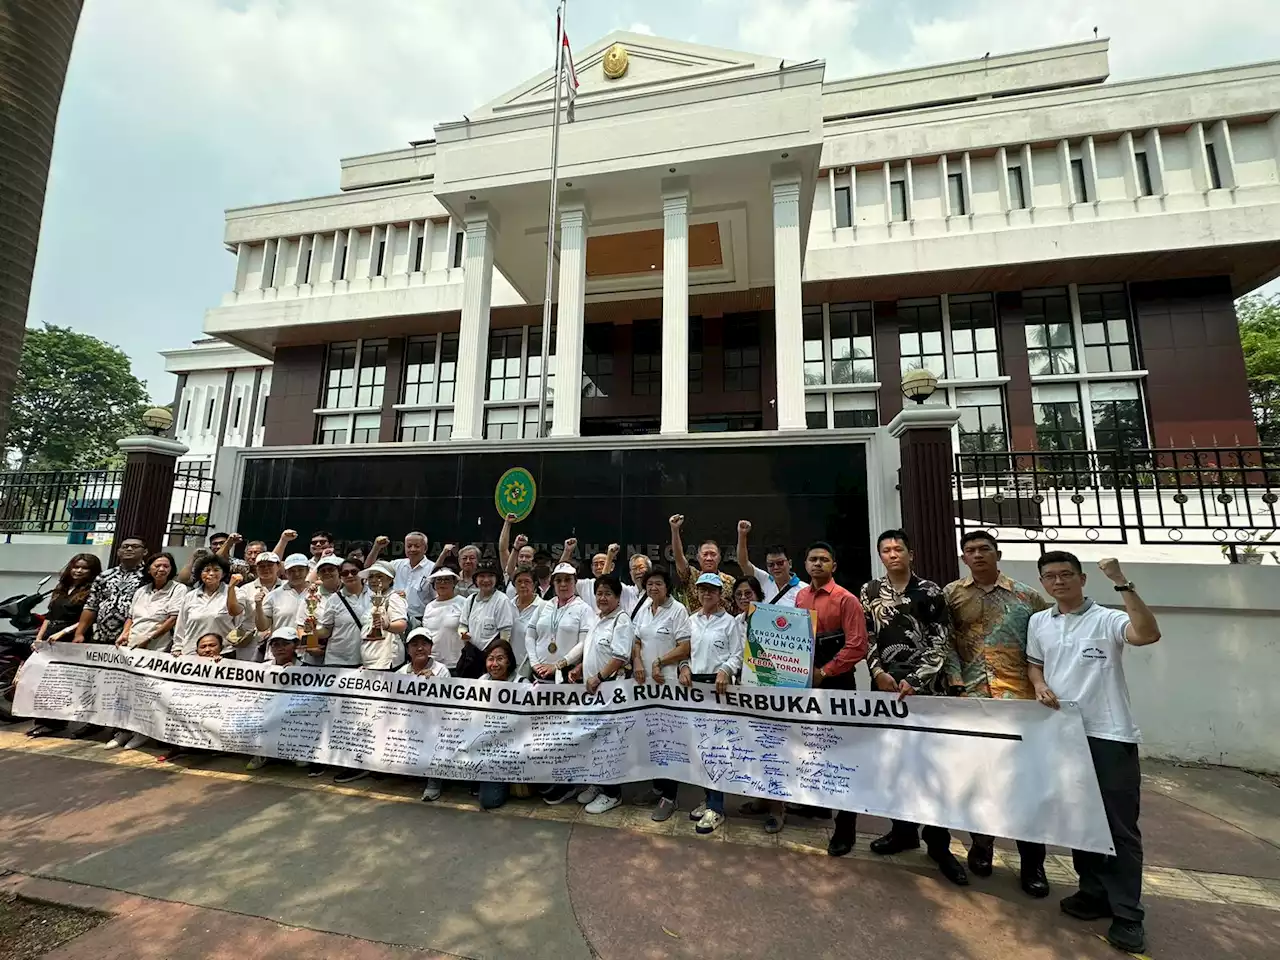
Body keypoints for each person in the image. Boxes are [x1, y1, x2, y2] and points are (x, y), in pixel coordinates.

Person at [1028, 552, 1161, 956]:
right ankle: (1093, 892)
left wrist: (1121, 581)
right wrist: (1037, 684)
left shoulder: (1106, 618)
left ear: (1082, 579)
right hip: (1063, 735)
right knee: (1080, 817)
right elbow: (1035, 664)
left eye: (1066, 574)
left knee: (1119, 826)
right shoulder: (1039, 622)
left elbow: (1146, 634)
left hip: (1109, 734)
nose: (1058, 582)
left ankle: (1127, 914)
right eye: (1049, 576)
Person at [944, 530, 1052, 897]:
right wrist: (956, 685)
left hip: (1020, 703)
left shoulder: (1028, 597)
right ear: (963, 558)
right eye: (970, 551)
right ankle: (982, 843)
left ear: (997, 553)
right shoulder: (952, 595)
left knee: (1025, 784)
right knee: (978, 779)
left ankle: (1033, 862)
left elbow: (1045, 647)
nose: (977, 555)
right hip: (972, 699)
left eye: (984, 549)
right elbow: (946, 644)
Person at [859, 530, 967, 886]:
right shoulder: (870, 591)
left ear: (911, 553)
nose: (893, 555)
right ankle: (902, 830)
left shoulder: (931, 592)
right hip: (887, 691)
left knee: (932, 767)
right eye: (886, 550)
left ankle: (938, 843)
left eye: (898, 549)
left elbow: (940, 640)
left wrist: (916, 680)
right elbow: (869, 636)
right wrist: (877, 672)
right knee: (896, 763)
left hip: (926, 693)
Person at [794, 541, 869, 857]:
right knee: (812, 745)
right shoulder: (801, 597)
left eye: (824, 559)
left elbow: (857, 646)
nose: (817, 564)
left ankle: (846, 827)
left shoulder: (846, 600)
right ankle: (820, 807)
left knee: (841, 753)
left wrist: (824, 671)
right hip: (808, 681)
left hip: (836, 681)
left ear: (833, 566)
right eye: (812, 559)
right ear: (806, 564)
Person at [679, 572, 745, 836]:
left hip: (717, 691)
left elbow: (738, 654)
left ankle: (717, 807)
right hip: (694, 689)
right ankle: (708, 798)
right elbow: (683, 651)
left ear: (720, 594)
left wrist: (726, 670)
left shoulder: (730, 623)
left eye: (712, 590)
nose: (707, 595)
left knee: (716, 747)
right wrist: (683, 667)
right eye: (703, 590)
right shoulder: (690, 621)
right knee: (699, 748)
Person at [530, 562, 597, 804]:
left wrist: (559, 664)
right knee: (543, 730)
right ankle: (546, 778)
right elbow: (530, 632)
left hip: (567, 676)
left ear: (575, 582)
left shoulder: (583, 608)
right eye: (558, 580)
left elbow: (585, 642)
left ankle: (568, 782)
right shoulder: (546, 605)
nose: (563, 584)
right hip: (540, 673)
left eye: (567, 580)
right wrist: (536, 661)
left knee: (566, 731)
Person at [567, 575, 634, 815]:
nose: (602, 598)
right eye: (599, 593)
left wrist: (599, 677)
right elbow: (592, 649)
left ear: (617, 597)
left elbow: (620, 656)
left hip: (609, 690)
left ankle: (612, 793)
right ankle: (598, 782)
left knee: (609, 742)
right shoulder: (598, 619)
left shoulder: (622, 621)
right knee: (595, 739)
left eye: (608, 593)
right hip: (592, 691)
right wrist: (578, 669)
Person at [630, 565, 691, 821]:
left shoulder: (677, 610)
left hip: (668, 685)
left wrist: (659, 662)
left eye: (658, 583)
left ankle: (670, 796)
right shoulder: (644, 610)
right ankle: (657, 787)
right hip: (645, 685)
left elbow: (685, 646)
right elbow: (636, 641)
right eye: (649, 584)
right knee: (650, 736)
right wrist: (638, 662)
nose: (653, 588)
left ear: (668, 587)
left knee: (669, 738)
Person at [400, 627, 452, 802]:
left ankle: (434, 780)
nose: (419, 648)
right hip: (409, 723)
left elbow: (448, 701)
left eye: (424, 644)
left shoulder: (441, 670)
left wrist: (434, 683)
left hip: (435, 723)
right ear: (408, 650)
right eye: (414, 645)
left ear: (431, 647)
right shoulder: (400, 673)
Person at [72, 536, 148, 647]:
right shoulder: (104, 576)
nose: (129, 549)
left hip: (131, 638)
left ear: (145, 552)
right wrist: (79, 633)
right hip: (100, 636)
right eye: (125, 546)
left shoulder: (149, 577)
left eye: (135, 546)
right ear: (118, 552)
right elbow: (91, 606)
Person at [474, 639, 522, 810]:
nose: (494, 664)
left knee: (489, 801)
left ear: (509, 661)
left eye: (500, 658)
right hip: (485, 749)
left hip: (512, 752)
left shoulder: (522, 684)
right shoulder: (480, 682)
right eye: (490, 659)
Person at [245, 628, 303, 770]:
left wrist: (297, 672)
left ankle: (298, 750)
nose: (280, 648)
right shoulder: (263, 667)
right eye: (275, 644)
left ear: (295, 645)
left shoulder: (305, 667)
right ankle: (261, 753)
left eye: (285, 644)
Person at [173, 554, 242, 657]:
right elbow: (181, 625)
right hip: (191, 653)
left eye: (216, 570)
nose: (211, 573)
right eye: (206, 570)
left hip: (223, 654)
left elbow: (240, 625)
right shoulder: (190, 596)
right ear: (200, 574)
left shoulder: (235, 592)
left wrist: (231, 647)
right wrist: (177, 647)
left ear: (223, 574)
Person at [456, 559, 515, 678]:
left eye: (490, 576)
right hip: (471, 657)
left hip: (492, 660)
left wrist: (499, 658)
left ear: (496, 579)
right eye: (482, 576)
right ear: (476, 580)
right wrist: (463, 634)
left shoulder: (501, 600)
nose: (486, 580)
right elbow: (462, 625)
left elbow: (505, 634)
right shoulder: (470, 600)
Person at [116, 552, 184, 651]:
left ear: (171, 569)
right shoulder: (141, 591)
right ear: (149, 569)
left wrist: (149, 639)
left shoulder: (178, 588)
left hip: (159, 647)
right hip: (132, 643)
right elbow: (131, 617)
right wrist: (124, 634)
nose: (161, 569)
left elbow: (173, 619)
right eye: (157, 566)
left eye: (166, 566)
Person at [669, 514, 734, 611]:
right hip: (695, 624)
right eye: (705, 554)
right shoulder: (691, 576)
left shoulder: (730, 581)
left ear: (719, 558)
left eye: (713, 554)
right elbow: (678, 557)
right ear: (698, 558)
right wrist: (675, 530)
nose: (709, 558)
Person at [35, 554, 102, 644]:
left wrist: (64, 632)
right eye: (76, 567)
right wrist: (38, 638)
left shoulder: (94, 590)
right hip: (51, 633)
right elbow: (50, 616)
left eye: (85, 568)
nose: (79, 571)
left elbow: (91, 619)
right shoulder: (61, 588)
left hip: (74, 636)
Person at [228, 551, 281, 662]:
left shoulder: (287, 587)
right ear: (256, 568)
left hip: (279, 642)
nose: (265, 569)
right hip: (251, 643)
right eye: (261, 566)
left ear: (278, 566)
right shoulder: (246, 589)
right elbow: (234, 611)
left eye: (270, 565)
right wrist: (231, 588)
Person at [357, 560, 409, 671]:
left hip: (385, 661)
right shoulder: (371, 598)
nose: (374, 580)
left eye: (379, 576)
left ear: (390, 580)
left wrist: (387, 626)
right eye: (371, 577)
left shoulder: (394, 597)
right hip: (369, 661)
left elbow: (402, 625)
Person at [735, 521, 802, 608]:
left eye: (780, 563)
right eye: (771, 565)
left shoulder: (803, 589)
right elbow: (743, 562)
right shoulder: (764, 579)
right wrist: (742, 535)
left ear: (790, 563)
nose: (776, 567)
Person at [256, 553, 313, 651]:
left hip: (309, 651)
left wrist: (312, 647)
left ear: (307, 571)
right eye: (292, 571)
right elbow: (263, 627)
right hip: (280, 652)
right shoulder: (273, 595)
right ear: (285, 573)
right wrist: (258, 606)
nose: (297, 574)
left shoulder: (317, 593)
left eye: (300, 570)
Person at [296, 555, 342, 665]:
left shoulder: (349, 593)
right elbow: (301, 626)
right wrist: (310, 646)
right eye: (323, 571)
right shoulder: (311, 597)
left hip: (344, 656)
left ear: (339, 571)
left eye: (331, 569)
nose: (326, 573)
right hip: (314, 660)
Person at [420, 567, 468, 671]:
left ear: (454, 583)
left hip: (457, 663)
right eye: (439, 580)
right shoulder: (429, 606)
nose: (443, 583)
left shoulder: (464, 603)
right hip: (433, 665)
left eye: (447, 580)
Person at [509, 564, 548, 675]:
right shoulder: (507, 605)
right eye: (519, 582)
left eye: (527, 581)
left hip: (533, 667)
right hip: (508, 665)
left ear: (535, 584)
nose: (523, 585)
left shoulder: (544, 607)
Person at [390, 531, 436, 624]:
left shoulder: (433, 568)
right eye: (409, 546)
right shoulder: (396, 564)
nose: (412, 549)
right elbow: (370, 569)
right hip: (394, 617)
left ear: (425, 548)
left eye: (417, 546)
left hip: (420, 619)